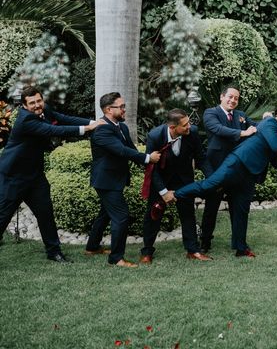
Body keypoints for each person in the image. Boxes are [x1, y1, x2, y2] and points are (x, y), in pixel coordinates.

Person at [170, 106, 277, 257]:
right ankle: (175, 194)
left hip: (249, 174)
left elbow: (275, 162)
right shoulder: (271, 123)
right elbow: (276, 147)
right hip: (237, 163)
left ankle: (241, 248)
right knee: (210, 185)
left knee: (242, 210)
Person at [0, 86, 101, 263]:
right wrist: (87, 129)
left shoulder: (44, 109)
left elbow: (63, 119)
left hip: (35, 175)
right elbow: (55, 130)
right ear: (24, 106)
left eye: (39, 100)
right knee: (3, 216)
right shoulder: (26, 121)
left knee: (45, 213)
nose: (37, 105)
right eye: (32, 103)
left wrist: (94, 121)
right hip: (13, 176)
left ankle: (54, 252)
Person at [85, 92, 161, 268]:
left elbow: (131, 149)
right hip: (105, 181)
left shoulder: (122, 127)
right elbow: (121, 150)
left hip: (115, 179)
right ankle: (116, 258)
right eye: (121, 106)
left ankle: (92, 247)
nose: (124, 109)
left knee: (105, 214)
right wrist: (148, 158)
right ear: (108, 110)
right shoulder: (102, 130)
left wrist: (147, 164)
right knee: (121, 216)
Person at [139, 109, 210, 264]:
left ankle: (193, 250)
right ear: (172, 127)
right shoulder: (155, 136)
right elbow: (151, 168)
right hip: (161, 183)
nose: (189, 127)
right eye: (185, 125)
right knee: (153, 216)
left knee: (188, 215)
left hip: (184, 181)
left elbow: (201, 158)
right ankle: (147, 252)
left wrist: (212, 178)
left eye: (189, 123)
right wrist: (164, 192)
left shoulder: (192, 133)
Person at [200, 86, 257, 253]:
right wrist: (243, 133)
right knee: (212, 205)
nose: (233, 100)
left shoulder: (241, 116)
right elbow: (218, 129)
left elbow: (256, 126)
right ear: (221, 97)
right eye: (230, 97)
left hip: (238, 170)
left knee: (237, 206)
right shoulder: (211, 113)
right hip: (217, 168)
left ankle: (239, 243)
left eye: (236, 98)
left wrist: (271, 121)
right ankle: (205, 242)